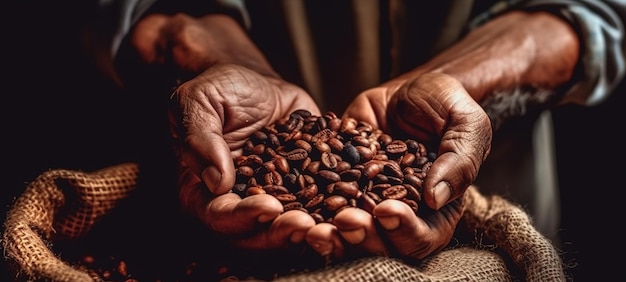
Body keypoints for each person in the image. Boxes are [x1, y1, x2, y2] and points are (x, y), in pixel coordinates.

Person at [78, 0, 624, 267]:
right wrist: (222, 63)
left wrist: (458, 82)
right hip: (227, 239)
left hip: (486, 228)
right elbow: (144, 10)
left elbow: (594, 14)